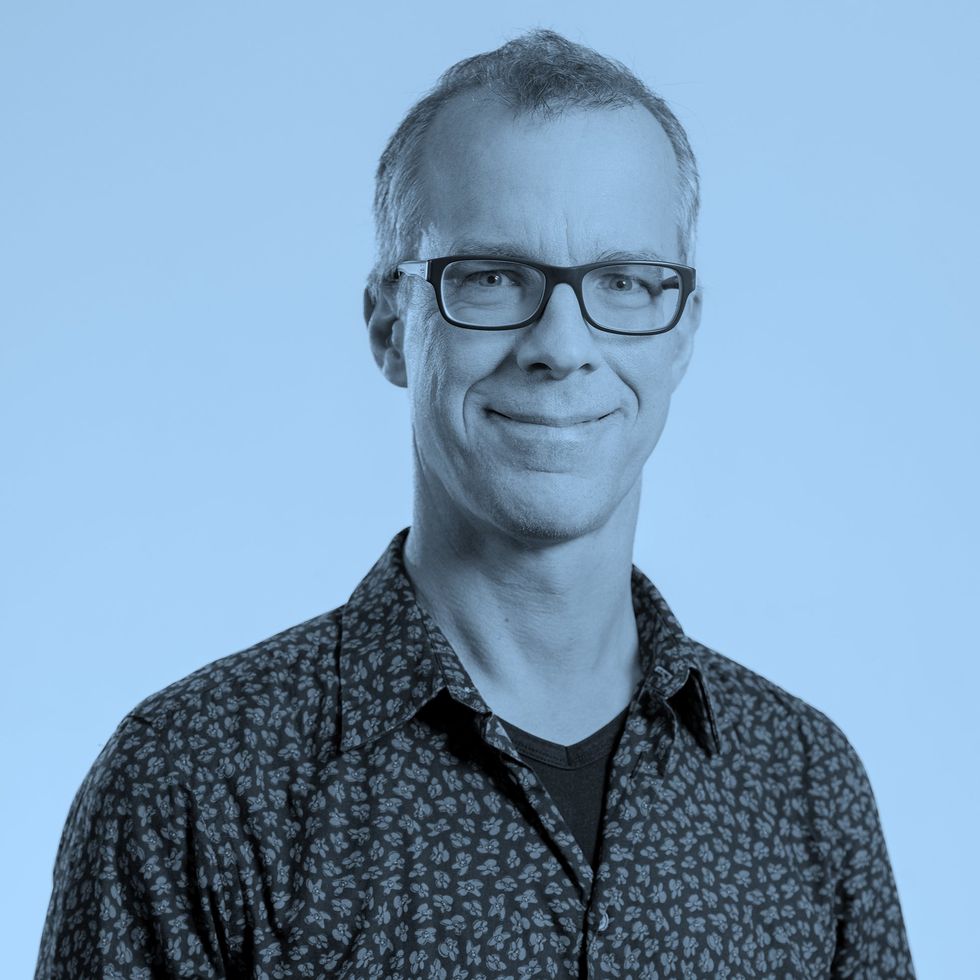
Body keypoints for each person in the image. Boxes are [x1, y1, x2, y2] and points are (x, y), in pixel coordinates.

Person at [36, 29, 915, 979]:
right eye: (494, 279)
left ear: (681, 335)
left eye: (623, 282)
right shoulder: (193, 785)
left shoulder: (807, 786)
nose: (563, 344)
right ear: (389, 325)